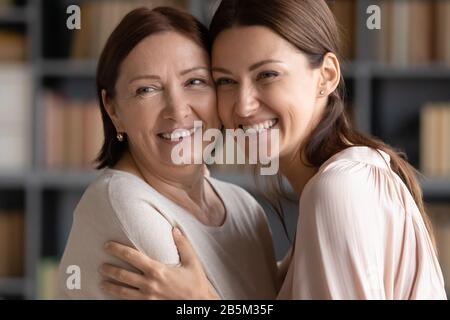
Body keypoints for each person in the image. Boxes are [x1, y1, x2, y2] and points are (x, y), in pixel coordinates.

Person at [101, 0, 447, 299]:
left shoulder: (339, 189)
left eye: (267, 75)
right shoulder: (339, 181)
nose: (244, 105)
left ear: (326, 76)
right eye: (225, 81)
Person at [57, 6, 279, 299]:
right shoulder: (124, 204)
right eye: (146, 90)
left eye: (194, 82)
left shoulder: (244, 208)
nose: (177, 110)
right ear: (113, 110)